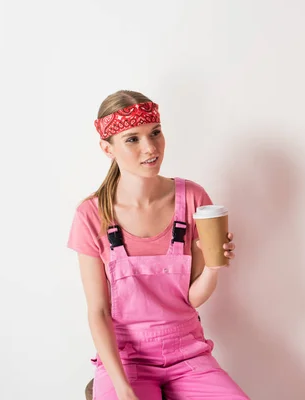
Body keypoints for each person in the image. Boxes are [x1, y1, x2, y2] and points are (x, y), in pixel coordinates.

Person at [68, 90, 249, 400]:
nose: (150, 147)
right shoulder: (92, 214)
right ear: (106, 148)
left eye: (155, 133)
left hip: (188, 355)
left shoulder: (192, 199)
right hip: (126, 360)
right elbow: (97, 311)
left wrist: (213, 266)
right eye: (132, 139)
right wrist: (121, 387)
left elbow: (190, 300)